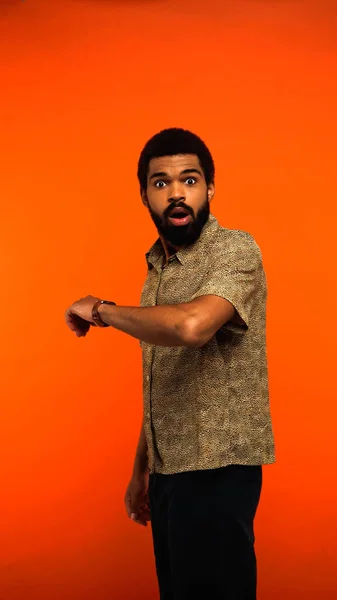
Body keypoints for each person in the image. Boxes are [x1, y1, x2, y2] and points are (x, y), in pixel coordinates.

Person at [65, 128, 275, 600]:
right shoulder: (157, 271)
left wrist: (101, 310)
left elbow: (191, 327)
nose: (176, 193)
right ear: (144, 195)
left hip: (219, 468)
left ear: (210, 188)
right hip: (169, 472)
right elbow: (165, 378)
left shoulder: (235, 249)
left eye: (190, 179)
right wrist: (142, 468)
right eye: (161, 183)